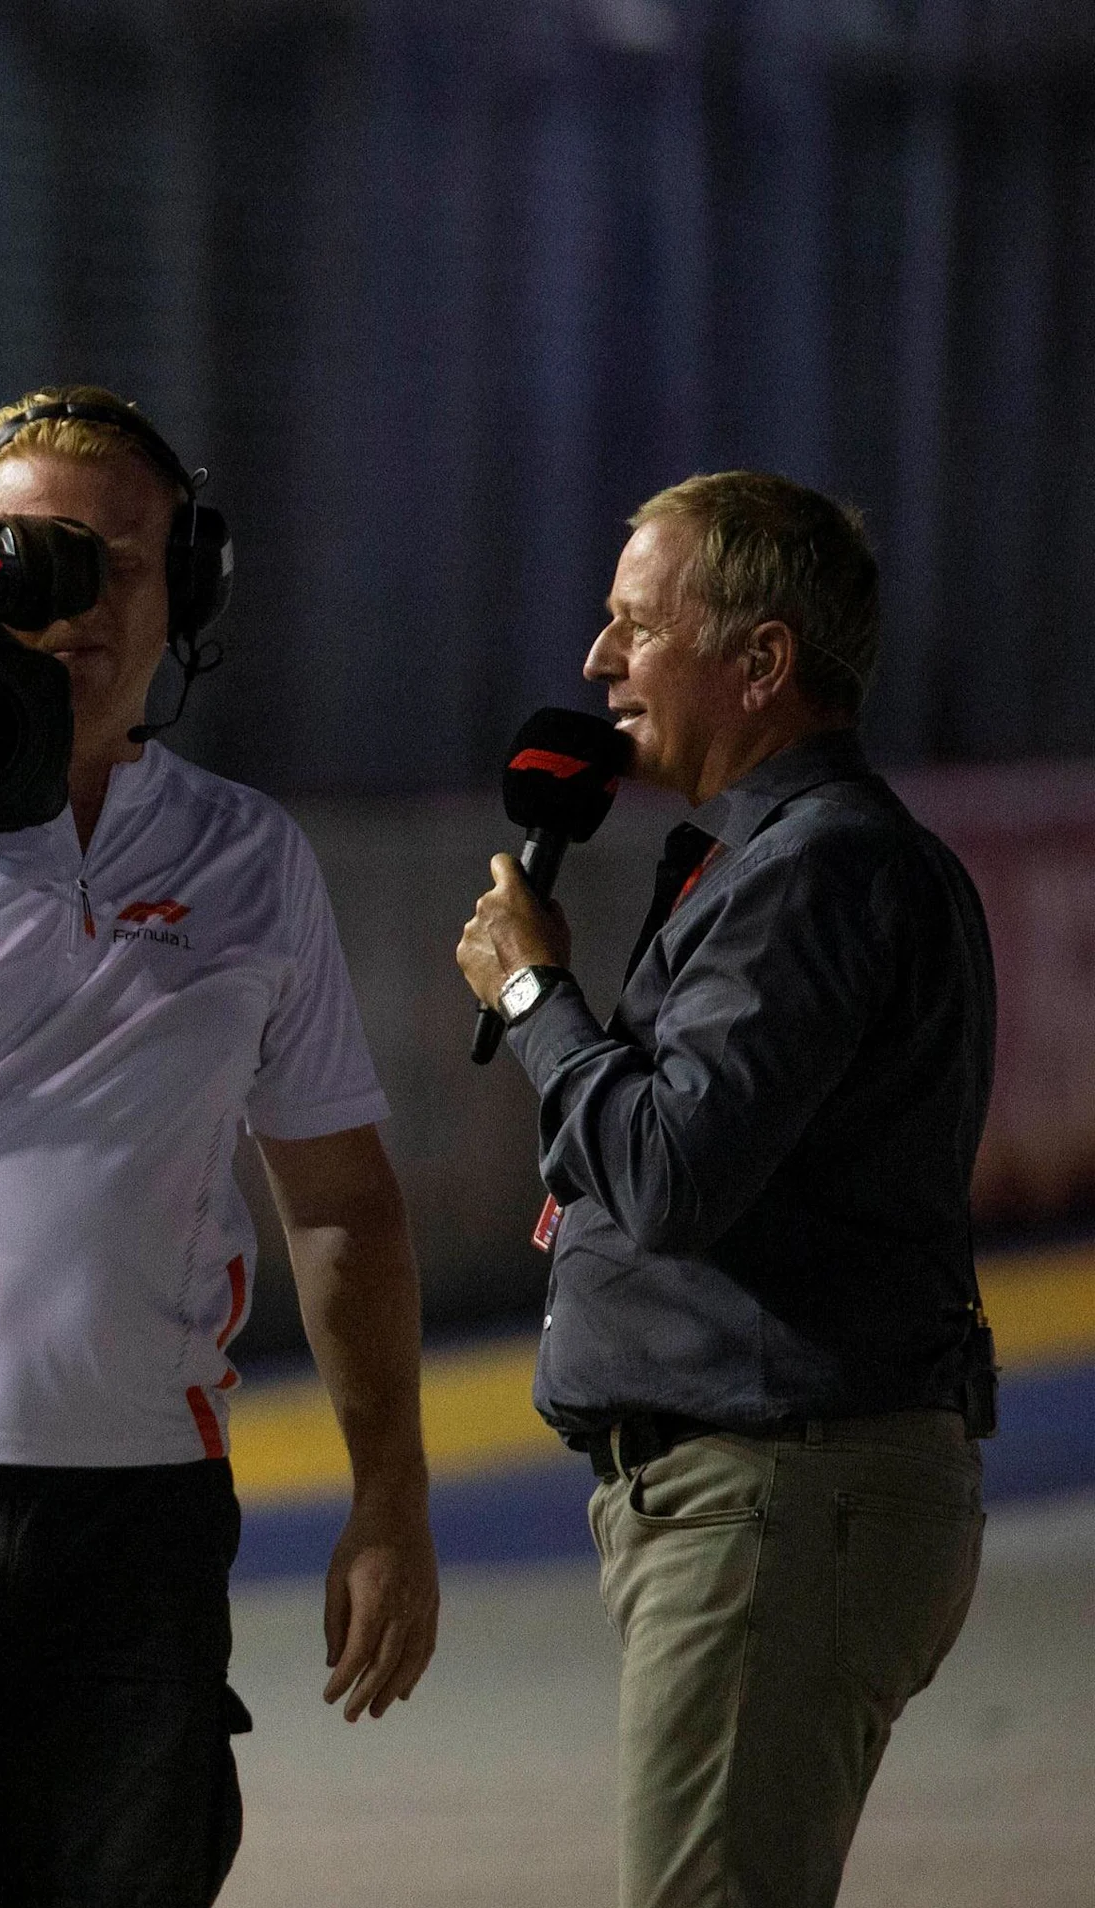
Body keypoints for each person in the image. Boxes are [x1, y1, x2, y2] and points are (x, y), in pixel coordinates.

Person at [0, 387, 439, 1907]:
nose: (81, 603)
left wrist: (391, 1503)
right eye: (27, 560)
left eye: (121, 560)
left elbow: (342, 1213)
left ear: (191, 590)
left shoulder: (249, 859)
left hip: (137, 1529)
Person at [457, 471, 994, 1908]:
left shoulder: (817, 872)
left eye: (636, 626)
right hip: (766, 1492)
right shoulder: (774, 861)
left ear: (762, 663)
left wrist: (533, 995)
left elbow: (670, 1174)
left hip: (777, 1491)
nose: (595, 663)